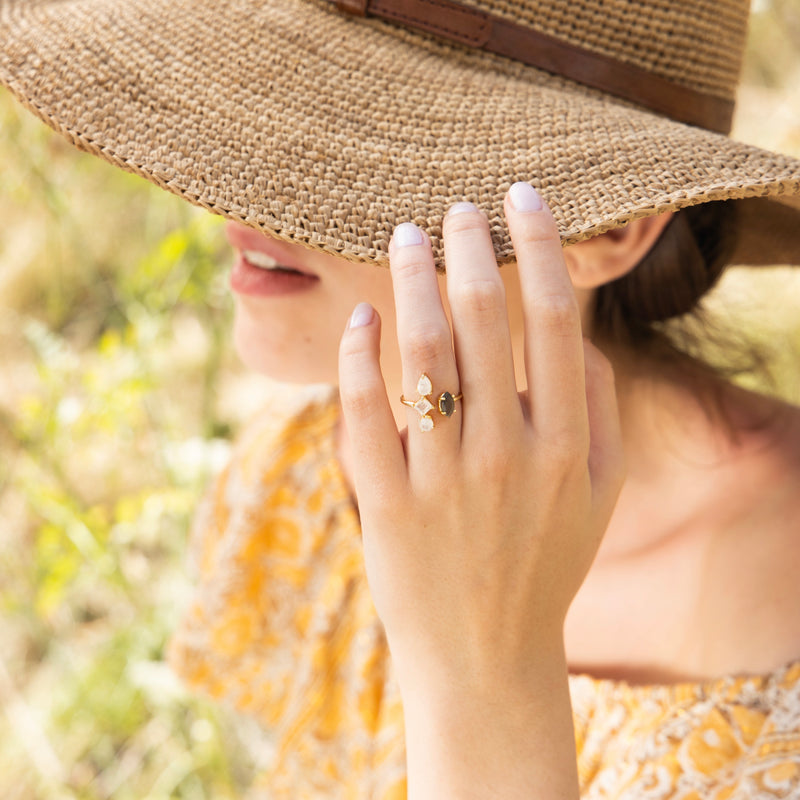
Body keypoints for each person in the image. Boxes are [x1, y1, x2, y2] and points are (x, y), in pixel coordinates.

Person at [2, 0, 800, 797]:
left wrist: (484, 668)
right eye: (254, 107)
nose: (236, 198)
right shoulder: (312, 469)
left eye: (359, 154)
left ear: (609, 229)